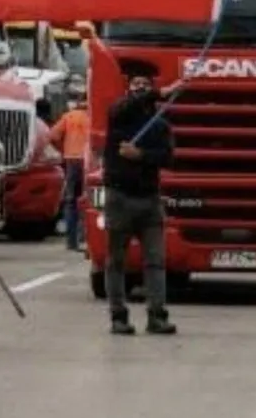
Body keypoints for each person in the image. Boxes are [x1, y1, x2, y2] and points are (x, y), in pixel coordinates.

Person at [102, 71, 181, 335]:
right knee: (116, 261)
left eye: (145, 85)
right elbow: (124, 107)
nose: (140, 89)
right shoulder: (119, 113)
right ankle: (118, 316)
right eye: (136, 85)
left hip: (149, 199)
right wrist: (159, 91)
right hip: (119, 197)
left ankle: (157, 315)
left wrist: (141, 155)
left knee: (156, 260)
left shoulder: (159, 123)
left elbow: (168, 158)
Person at [50, 91, 91, 251]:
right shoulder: (94, 116)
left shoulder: (69, 117)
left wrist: (63, 150)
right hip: (89, 161)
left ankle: (71, 241)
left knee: (71, 200)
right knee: (88, 199)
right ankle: (84, 238)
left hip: (71, 159)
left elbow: (52, 136)